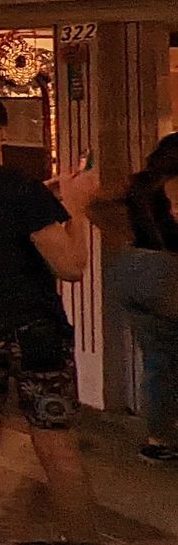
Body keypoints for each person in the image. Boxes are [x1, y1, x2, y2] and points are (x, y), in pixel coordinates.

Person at [0, 89, 96, 540]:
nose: (3, 138)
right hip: (36, 331)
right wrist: (76, 205)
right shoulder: (17, 188)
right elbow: (70, 266)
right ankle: (84, 542)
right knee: (55, 444)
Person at [96, 133, 178, 463]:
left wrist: (119, 235)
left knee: (159, 359)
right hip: (168, 269)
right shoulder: (173, 186)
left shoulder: (137, 184)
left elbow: (94, 200)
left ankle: (158, 437)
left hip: (131, 267)